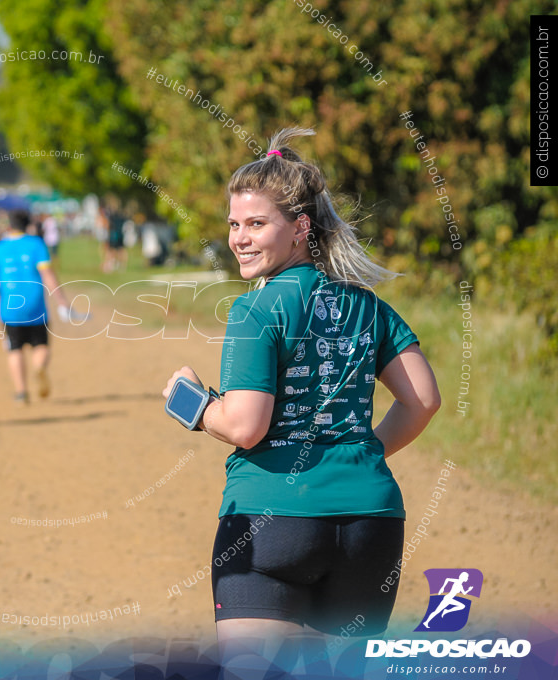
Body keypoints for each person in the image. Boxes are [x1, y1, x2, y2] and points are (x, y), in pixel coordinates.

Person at [161, 128, 441, 666]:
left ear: (300, 227)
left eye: (257, 224)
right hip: (372, 524)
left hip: (273, 523)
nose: (240, 238)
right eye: (234, 224)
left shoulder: (256, 311)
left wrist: (192, 404)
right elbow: (423, 400)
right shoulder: (367, 305)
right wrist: (362, 453)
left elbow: (245, 426)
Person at [0, 210, 72, 404]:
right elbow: (48, 275)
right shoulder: (36, 244)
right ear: (28, 225)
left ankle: (21, 392)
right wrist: (62, 301)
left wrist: (1, 296)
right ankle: (39, 366)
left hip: (9, 308)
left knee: (14, 349)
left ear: (9, 226)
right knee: (41, 345)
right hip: (35, 306)